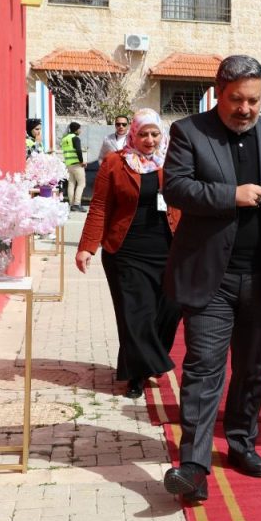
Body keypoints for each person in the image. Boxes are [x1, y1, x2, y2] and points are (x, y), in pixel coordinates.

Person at [161, 55, 261, 502]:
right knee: (203, 370)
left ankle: (241, 443)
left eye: (253, 100)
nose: (245, 109)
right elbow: (175, 187)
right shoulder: (189, 132)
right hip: (210, 279)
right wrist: (229, 195)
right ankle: (194, 467)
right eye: (236, 100)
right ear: (219, 92)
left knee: (253, 371)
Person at [75, 108, 182, 399]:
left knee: (172, 309)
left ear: (162, 134)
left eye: (154, 134)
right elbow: (99, 205)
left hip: (169, 249)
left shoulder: (173, 162)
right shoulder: (115, 162)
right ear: (133, 134)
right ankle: (137, 374)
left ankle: (150, 359)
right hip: (125, 251)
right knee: (136, 315)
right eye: (143, 134)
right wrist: (87, 246)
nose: (149, 140)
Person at [61, 121, 87, 212]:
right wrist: (82, 161)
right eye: (79, 129)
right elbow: (78, 150)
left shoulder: (64, 139)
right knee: (81, 184)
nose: (80, 130)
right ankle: (77, 204)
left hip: (68, 164)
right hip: (77, 164)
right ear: (76, 130)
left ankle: (72, 204)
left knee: (71, 184)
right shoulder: (75, 138)